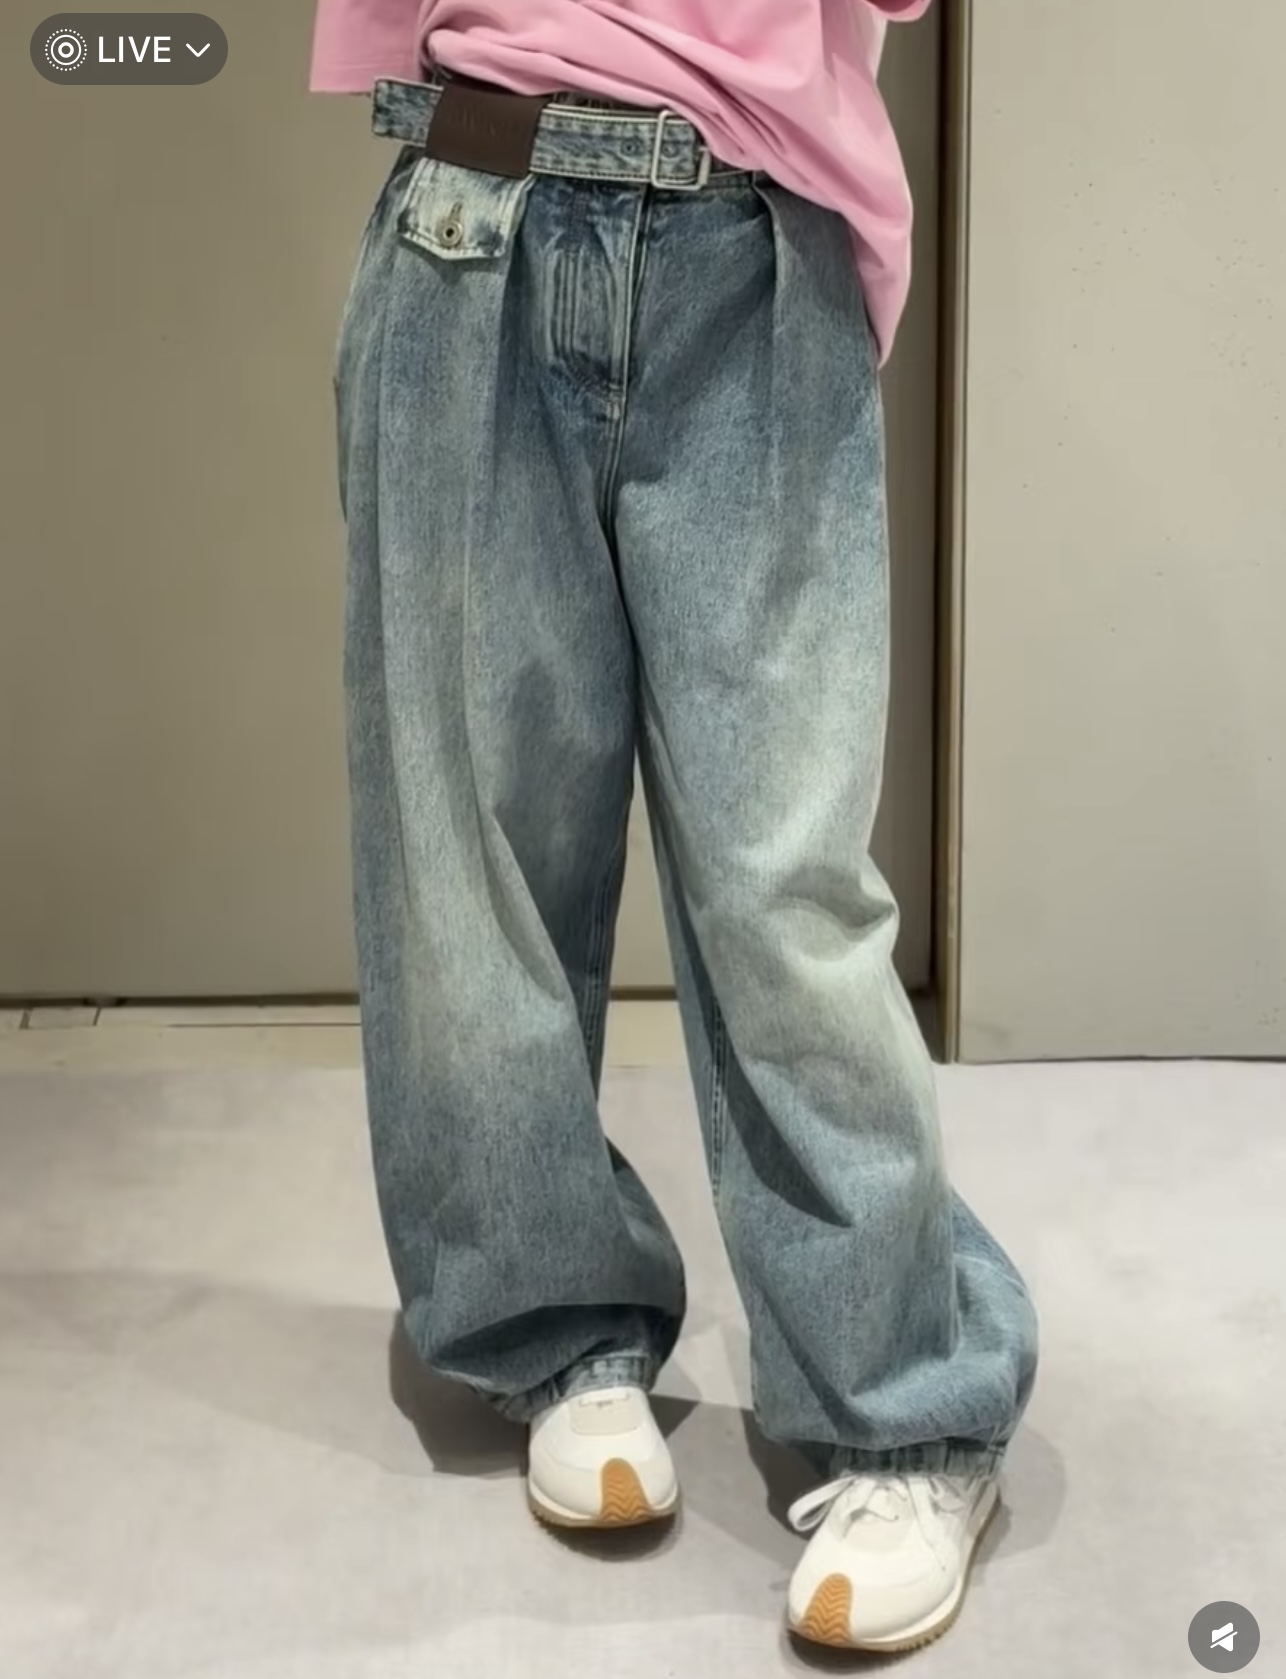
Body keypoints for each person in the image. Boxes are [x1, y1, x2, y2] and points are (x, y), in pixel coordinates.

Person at [311, 0, 1039, 1654]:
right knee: (470, 853)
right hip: (467, 219)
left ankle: (907, 1410)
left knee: (783, 884)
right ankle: (555, 1331)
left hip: (748, 245)